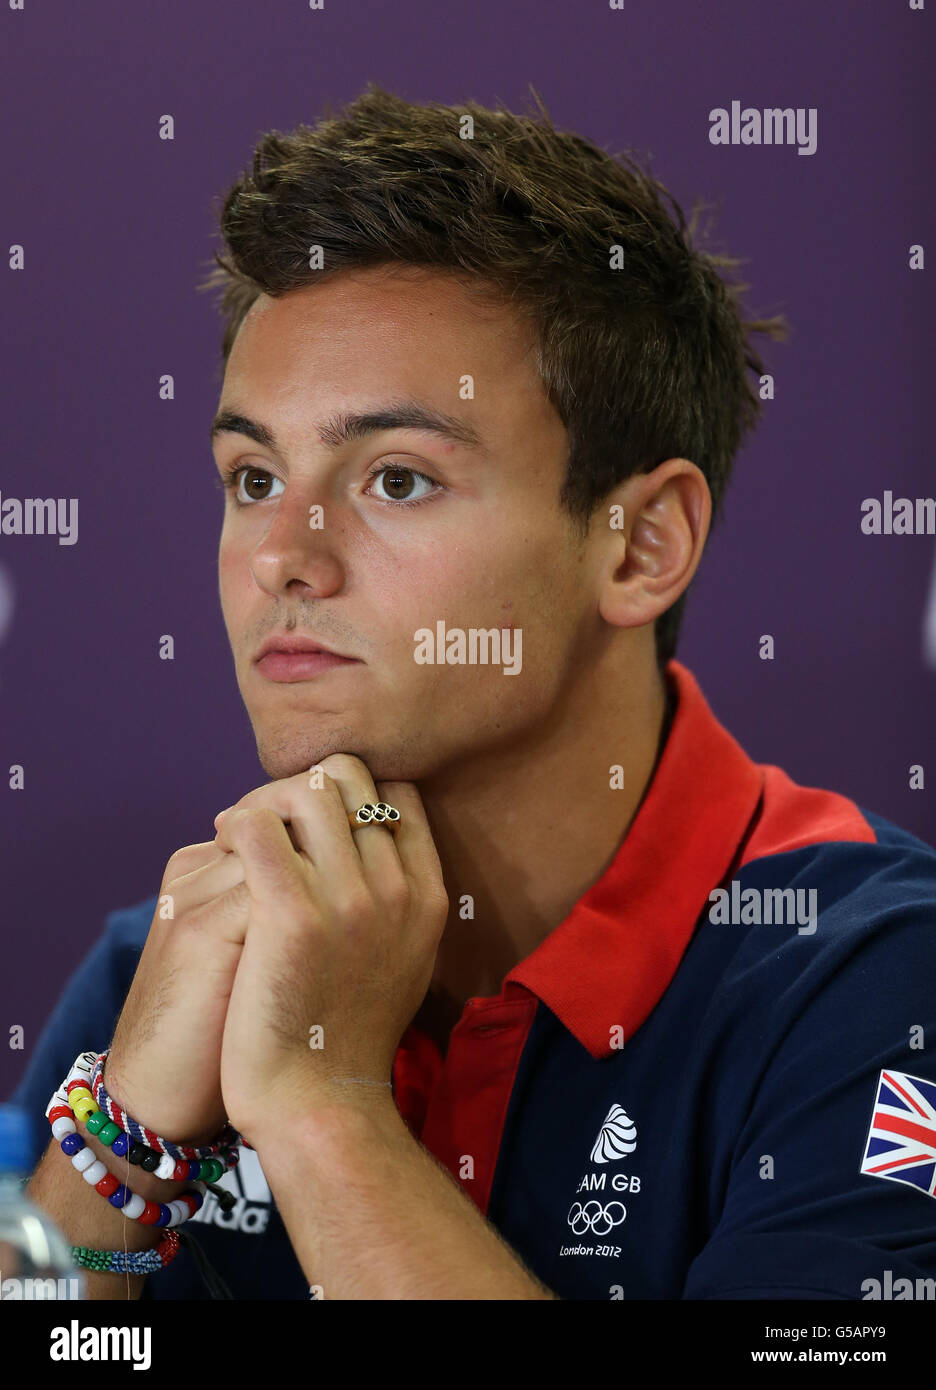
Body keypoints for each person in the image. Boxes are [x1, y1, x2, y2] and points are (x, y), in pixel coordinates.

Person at [11, 84, 936, 1302]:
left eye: (394, 479)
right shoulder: (170, 958)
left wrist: (322, 1110)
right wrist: (119, 1141)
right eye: (251, 476)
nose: (284, 554)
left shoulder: (876, 976)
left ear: (639, 544)